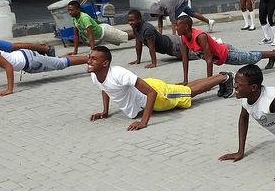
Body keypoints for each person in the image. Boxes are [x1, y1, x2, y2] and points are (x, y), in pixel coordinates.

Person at [87, 46, 235, 131]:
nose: (89, 61)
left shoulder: (119, 73)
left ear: (105, 63)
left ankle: (225, 77)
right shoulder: (96, 74)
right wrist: (105, 111)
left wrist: (144, 122)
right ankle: (221, 77)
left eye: (94, 59)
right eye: (90, 57)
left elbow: (151, 93)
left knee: (189, 92)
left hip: (158, 96)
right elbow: (105, 87)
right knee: (186, 89)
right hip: (149, 86)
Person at [0, 31, 88, 97]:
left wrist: (9, 89)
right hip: (26, 59)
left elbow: (8, 66)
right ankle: (70, 57)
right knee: (57, 61)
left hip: (30, 61)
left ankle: (90, 59)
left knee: (61, 63)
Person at [176, 15, 275, 85]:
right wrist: (185, 80)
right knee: (247, 55)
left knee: (251, 58)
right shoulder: (184, 37)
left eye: (177, 26)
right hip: (221, 55)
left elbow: (209, 60)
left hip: (227, 54)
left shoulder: (200, 36)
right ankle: (272, 55)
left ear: (186, 26)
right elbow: (185, 58)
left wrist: (209, 82)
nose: (176, 28)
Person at [126, 9, 198, 68]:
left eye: (132, 20)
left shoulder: (147, 30)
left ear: (139, 19)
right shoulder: (135, 28)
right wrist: (138, 60)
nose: (130, 23)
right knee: (195, 47)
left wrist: (154, 63)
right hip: (170, 40)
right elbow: (138, 45)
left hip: (174, 45)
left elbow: (152, 47)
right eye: (129, 20)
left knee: (197, 54)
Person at [66, 0, 134, 55]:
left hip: (106, 32)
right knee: (122, 39)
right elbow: (76, 35)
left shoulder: (84, 18)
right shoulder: (73, 18)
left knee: (126, 37)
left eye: (71, 10)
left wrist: (92, 51)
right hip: (101, 35)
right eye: (68, 10)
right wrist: (75, 51)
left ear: (78, 9)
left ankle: (139, 32)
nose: (70, 12)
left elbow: (91, 35)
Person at [149, 0, 215, 35]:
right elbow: (160, 23)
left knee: (174, 18)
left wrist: (174, 36)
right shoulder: (158, 9)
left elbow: (173, 20)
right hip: (177, 3)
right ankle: (209, 21)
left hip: (183, 1)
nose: (157, 17)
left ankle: (177, 34)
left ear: (158, 12)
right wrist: (160, 35)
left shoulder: (168, 7)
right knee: (192, 13)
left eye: (157, 16)